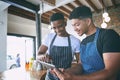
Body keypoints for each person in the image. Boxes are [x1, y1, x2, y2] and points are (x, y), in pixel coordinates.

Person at [52, 5, 120, 80]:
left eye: (77, 25)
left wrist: (74, 78)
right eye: (73, 26)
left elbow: (111, 72)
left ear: (88, 21)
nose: (75, 29)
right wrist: (68, 72)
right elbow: (81, 65)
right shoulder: (83, 42)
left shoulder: (108, 35)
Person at [37, 12, 81, 80]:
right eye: (54, 28)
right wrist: (42, 56)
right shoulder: (49, 37)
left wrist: (68, 71)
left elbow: (80, 64)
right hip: (50, 77)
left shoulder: (75, 41)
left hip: (66, 76)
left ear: (65, 23)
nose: (57, 30)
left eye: (60, 26)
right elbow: (38, 55)